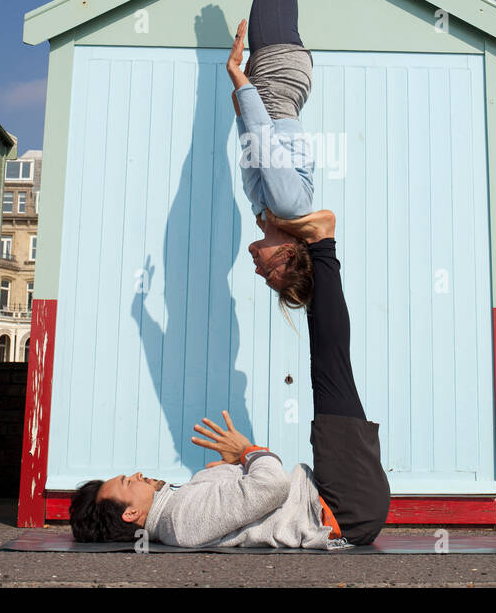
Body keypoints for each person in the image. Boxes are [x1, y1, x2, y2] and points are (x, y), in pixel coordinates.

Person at [69, 209, 391, 548]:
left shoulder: (179, 507)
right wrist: (246, 451)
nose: (135, 474)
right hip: (342, 507)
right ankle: (321, 244)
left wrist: (236, 461)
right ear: (130, 514)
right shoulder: (182, 520)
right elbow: (273, 486)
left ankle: (313, 254)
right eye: (126, 482)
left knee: (327, 361)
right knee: (330, 364)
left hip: (339, 501)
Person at [228, 0, 317, 310]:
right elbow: (264, 141)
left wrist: (240, 89)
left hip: (274, 80)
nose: (259, 272)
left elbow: (250, 140)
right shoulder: (287, 208)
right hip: (278, 77)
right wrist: (241, 82)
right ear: (285, 257)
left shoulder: (268, 211)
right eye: (270, 277)